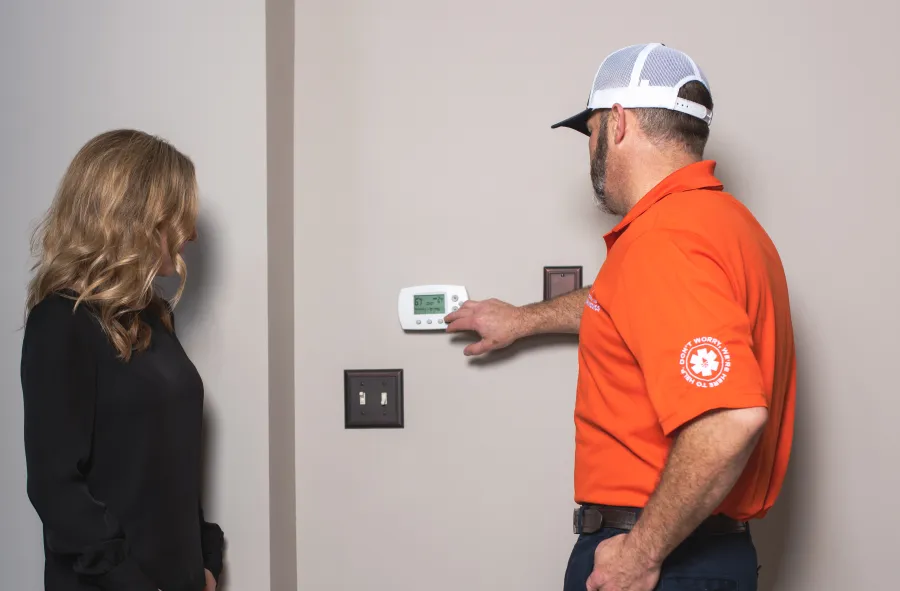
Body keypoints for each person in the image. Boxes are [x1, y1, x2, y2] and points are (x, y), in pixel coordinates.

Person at [445, 43, 796, 591]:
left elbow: (730, 416)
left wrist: (640, 554)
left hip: (665, 560)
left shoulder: (666, 241)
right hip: (707, 552)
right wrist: (523, 319)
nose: (590, 150)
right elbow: (629, 310)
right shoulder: (728, 227)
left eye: (590, 133)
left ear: (618, 122)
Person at [21, 129, 224, 591]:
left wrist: (204, 562)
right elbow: (57, 490)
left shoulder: (156, 315)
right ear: (134, 215)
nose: (189, 232)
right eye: (177, 215)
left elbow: (166, 460)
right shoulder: (61, 322)